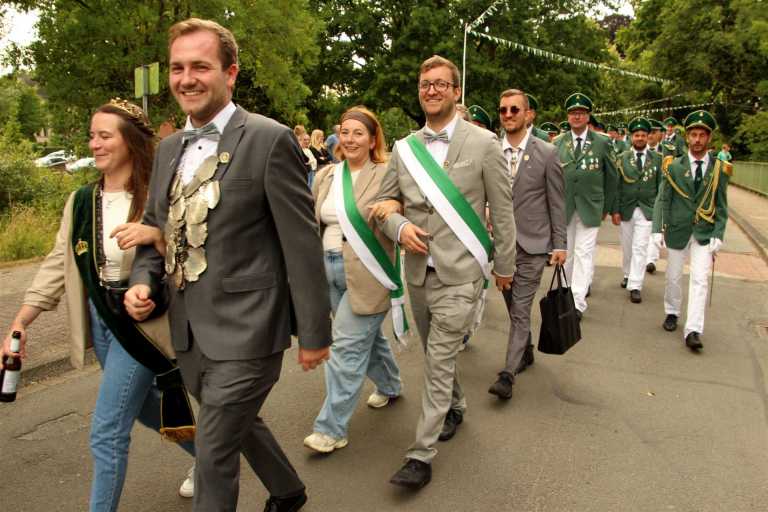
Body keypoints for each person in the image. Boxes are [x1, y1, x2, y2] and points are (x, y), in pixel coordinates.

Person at [124, 18, 331, 512]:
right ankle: (288, 491)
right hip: (189, 332)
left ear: (230, 73)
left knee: (214, 449)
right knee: (237, 422)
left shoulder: (268, 139)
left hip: (250, 330)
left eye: (200, 66)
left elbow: (301, 244)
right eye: (177, 68)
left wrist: (314, 332)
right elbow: (154, 227)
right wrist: (142, 282)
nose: (186, 79)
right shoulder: (168, 149)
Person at [1, 99, 195, 511]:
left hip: (144, 323)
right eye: (92, 136)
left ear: (129, 142)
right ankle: (213, 456)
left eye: (105, 136)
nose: (94, 144)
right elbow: (58, 263)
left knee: (106, 431)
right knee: (146, 409)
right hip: (101, 319)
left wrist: (156, 237)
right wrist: (20, 322)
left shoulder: (157, 196)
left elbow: (188, 252)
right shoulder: (81, 200)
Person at [371, 55, 516, 490]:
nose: (431, 90)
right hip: (418, 273)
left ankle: (420, 455)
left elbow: (503, 212)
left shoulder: (484, 143)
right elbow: (383, 205)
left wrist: (505, 266)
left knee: (437, 360)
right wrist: (399, 228)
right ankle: (456, 406)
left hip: (462, 274)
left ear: (456, 91)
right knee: (436, 353)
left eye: (440, 84)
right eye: (425, 85)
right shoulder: (405, 149)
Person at [303, 106, 403, 453]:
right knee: (367, 340)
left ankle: (330, 429)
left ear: (373, 139)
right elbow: (312, 219)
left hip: (370, 272)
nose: (350, 139)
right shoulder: (327, 175)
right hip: (329, 269)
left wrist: (396, 208)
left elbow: (399, 209)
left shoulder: (386, 173)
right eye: (345, 132)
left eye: (358, 133)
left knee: (345, 346)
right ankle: (390, 384)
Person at [487, 89, 566, 400]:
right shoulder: (491, 150)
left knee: (520, 308)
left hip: (533, 245)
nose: (508, 115)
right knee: (511, 305)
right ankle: (526, 349)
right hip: (502, 246)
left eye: (514, 110)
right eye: (503, 110)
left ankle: (507, 374)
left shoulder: (546, 152)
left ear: (529, 114)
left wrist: (560, 244)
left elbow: (557, 202)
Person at [652, 110, 731, 351]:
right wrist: (658, 228)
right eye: (693, 135)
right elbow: (663, 198)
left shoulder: (719, 169)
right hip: (677, 228)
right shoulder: (674, 166)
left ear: (709, 138)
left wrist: (719, 233)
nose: (697, 140)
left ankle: (693, 329)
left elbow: (722, 204)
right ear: (687, 137)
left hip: (704, 231)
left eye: (702, 135)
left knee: (699, 280)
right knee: (673, 276)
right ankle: (672, 311)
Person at [552, 92, 618, 319]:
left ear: (588, 116)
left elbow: (612, 177)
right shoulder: (557, 143)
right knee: (565, 253)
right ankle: (564, 295)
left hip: (591, 207)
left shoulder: (602, 142)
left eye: (581, 113)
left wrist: (607, 207)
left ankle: (577, 303)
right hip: (565, 207)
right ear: (568, 116)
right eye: (573, 113)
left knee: (583, 253)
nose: (577, 116)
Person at [611, 117, 662, 304]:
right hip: (627, 208)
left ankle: (635, 285)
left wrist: (659, 213)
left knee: (640, 247)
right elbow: (616, 187)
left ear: (648, 137)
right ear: (631, 137)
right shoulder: (622, 158)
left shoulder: (657, 159)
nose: (640, 138)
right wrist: (615, 210)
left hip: (647, 209)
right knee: (627, 246)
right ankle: (627, 274)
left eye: (643, 135)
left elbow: (661, 187)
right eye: (636, 135)